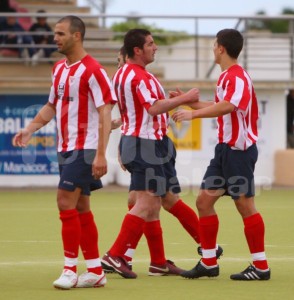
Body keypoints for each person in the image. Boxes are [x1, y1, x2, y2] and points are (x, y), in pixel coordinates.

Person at [12, 15, 116, 289]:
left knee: (64, 201)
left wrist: (101, 153)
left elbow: (106, 112)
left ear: (77, 36)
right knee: (81, 206)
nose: (54, 38)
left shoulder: (94, 70)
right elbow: (51, 105)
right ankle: (95, 271)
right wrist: (30, 129)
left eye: (60, 33)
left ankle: (70, 269)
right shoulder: (59, 68)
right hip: (65, 147)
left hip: (86, 147)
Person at [100, 28, 210, 279]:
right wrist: (187, 99)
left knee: (162, 200)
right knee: (148, 202)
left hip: (148, 143)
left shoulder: (126, 75)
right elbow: (153, 108)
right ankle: (116, 254)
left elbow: (131, 114)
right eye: (150, 44)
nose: (155, 47)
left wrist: (122, 142)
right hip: (146, 145)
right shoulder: (137, 76)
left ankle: (161, 261)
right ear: (136, 50)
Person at [172, 28, 270, 281]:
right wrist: (185, 102)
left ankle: (261, 267)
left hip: (239, 152)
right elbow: (219, 106)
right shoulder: (227, 77)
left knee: (245, 205)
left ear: (221, 48)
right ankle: (208, 262)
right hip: (224, 152)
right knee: (204, 202)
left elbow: (227, 106)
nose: (213, 49)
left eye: (214, 44)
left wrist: (192, 114)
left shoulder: (237, 76)